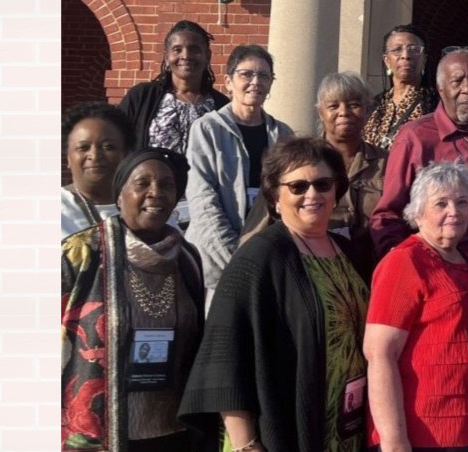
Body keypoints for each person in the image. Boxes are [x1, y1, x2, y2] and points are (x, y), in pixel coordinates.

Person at [179, 138, 369, 452]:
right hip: (281, 438)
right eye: (297, 186)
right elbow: (225, 355)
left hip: (340, 440)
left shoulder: (347, 252)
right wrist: (245, 446)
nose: (312, 194)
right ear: (274, 196)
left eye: (323, 184)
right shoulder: (259, 257)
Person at [62, 148, 216, 452]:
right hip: (95, 442)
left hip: (167, 438)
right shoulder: (81, 253)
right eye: (142, 183)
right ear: (119, 195)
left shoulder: (187, 259)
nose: (155, 192)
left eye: (166, 185)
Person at [364, 162, 468, 452]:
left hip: (466, 434)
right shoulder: (404, 262)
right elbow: (379, 354)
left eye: (462, 202)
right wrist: (394, 442)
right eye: (442, 203)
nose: (454, 212)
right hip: (418, 438)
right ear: (417, 213)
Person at [371, 48, 468, 267]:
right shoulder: (416, 137)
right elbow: (388, 215)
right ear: (440, 88)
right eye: (457, 81)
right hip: (449, 272)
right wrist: (402, 266)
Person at [185, 44, 294, 303]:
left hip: (267, 260)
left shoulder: (283, 135)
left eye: (264, 76)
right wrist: (236, 260)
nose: (255, 82)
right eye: (246, 74)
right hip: (217, 263)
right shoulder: (207, 129)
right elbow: (203, 200)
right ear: (229, 81)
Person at [119, 20, 229, 154]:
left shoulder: (222, 107)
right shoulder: (142, 96)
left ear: (208, 56)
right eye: (177, 50)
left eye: (195, 50)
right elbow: (116, 141)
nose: (186, 56)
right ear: (166, 57)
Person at [316, 71, 387, 275]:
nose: (344, 112)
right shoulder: (303, 162)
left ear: (367, 111)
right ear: (321, 112)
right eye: (333, 106)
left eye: (354, 104)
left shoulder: (387, 163)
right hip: (318, 271)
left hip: (373, 271)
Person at [61, 102, 136, 238]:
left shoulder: (148, 205)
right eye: (83, 147)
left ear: (126, 155)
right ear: (68, 157)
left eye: (108, 147)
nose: (95, 156)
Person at [364, 25, 438, 151]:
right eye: (397, 50)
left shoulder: (437, 104)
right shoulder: (373, 105)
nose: (405, 56)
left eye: (414, 49)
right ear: (386, 60)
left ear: (424, 59)